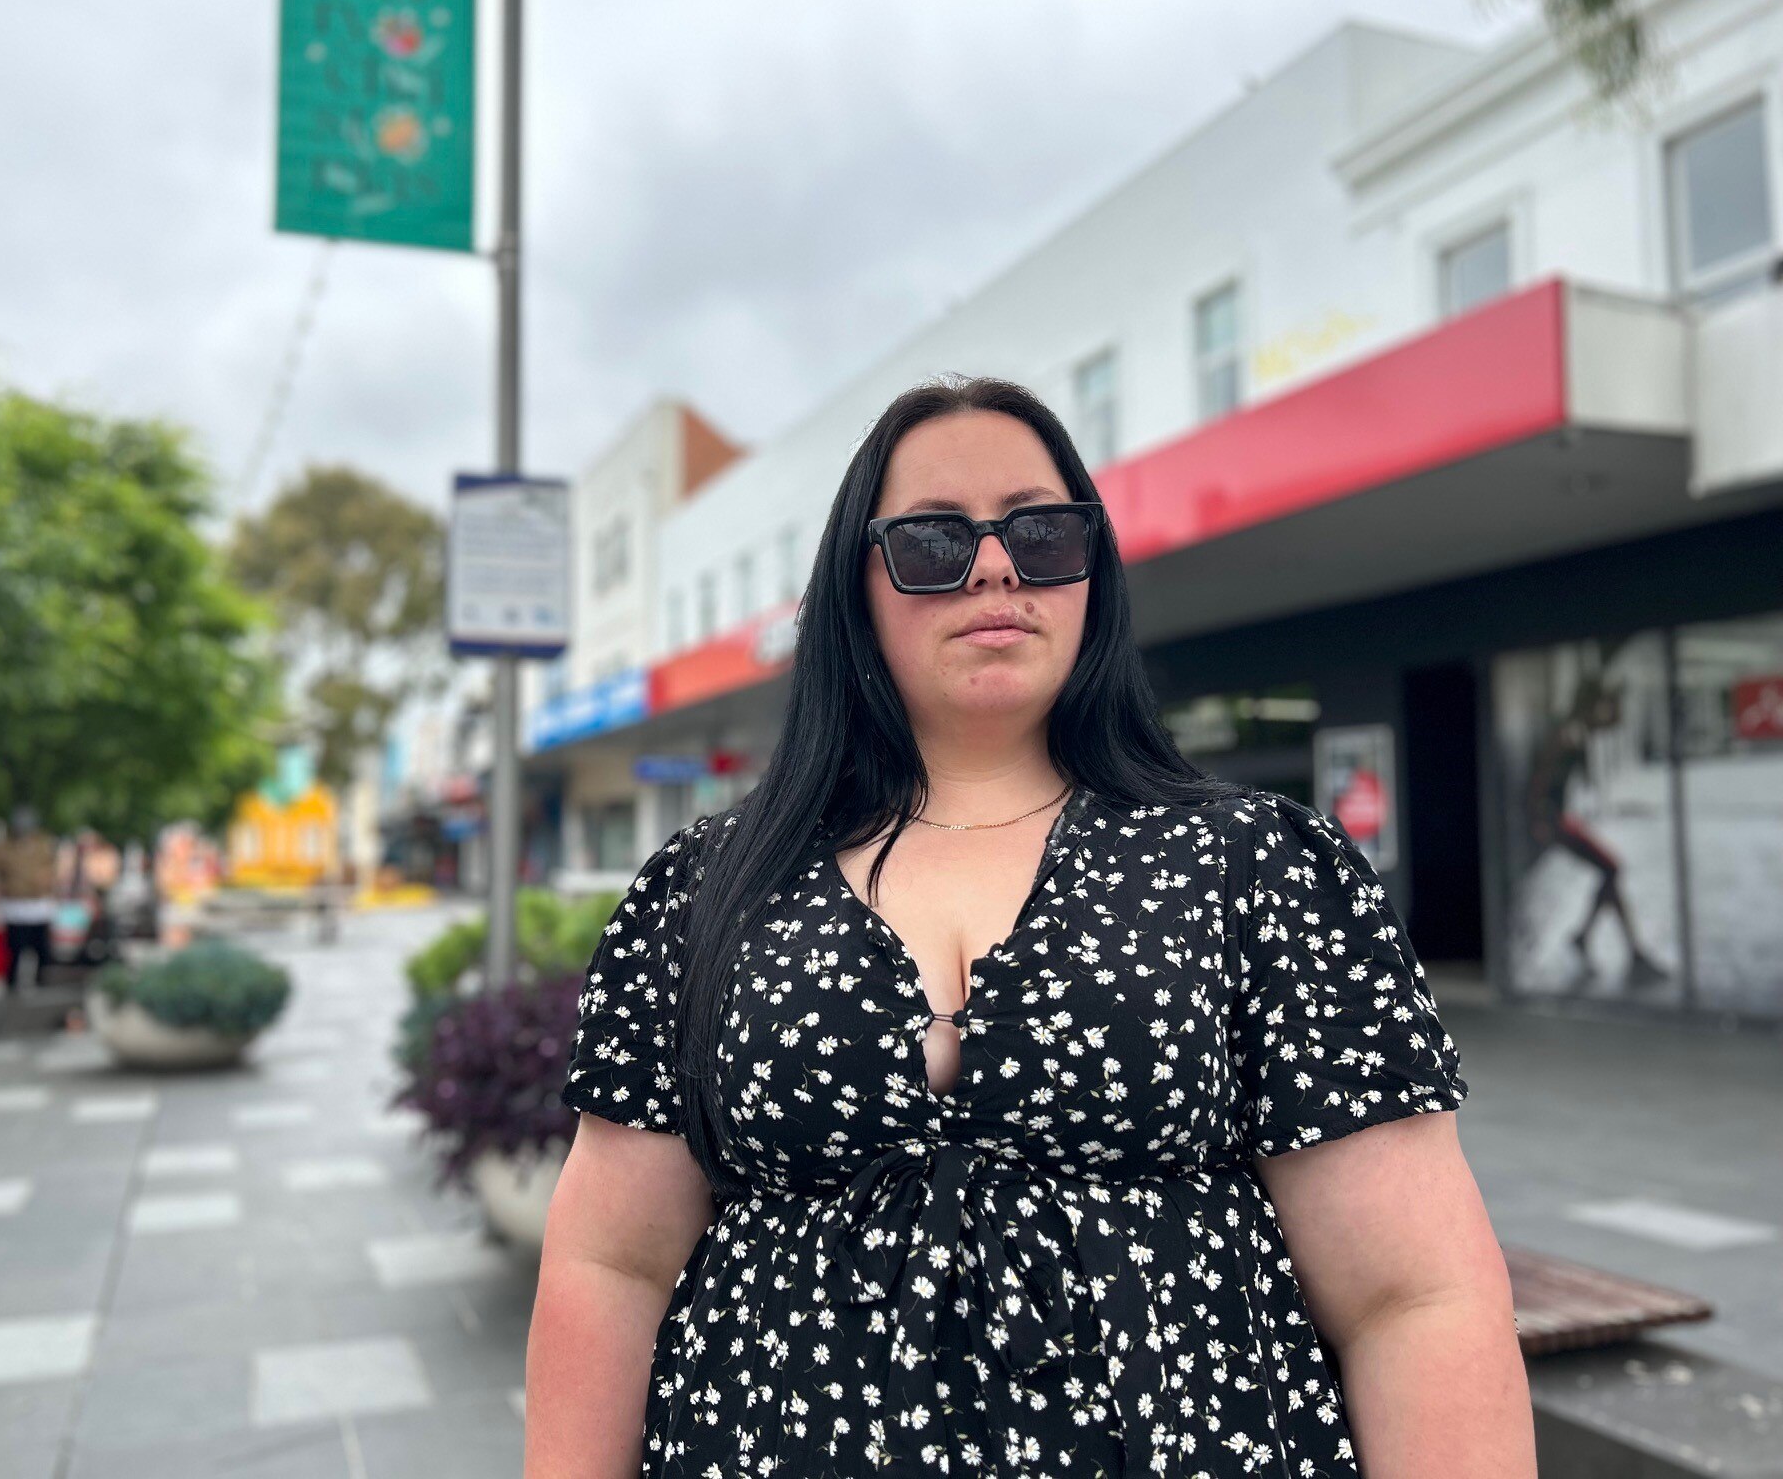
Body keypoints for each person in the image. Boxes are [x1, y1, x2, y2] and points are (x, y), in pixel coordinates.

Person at [523, 376, 1535, 1477]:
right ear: (855, 585)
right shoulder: (704, 888)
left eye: (1046, 532)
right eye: (933, 540)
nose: (998, 566)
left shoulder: (1261, 867)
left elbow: (1413, 1297)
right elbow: (609, 1266)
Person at [0, 807, 60, 996]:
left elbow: (55, 867)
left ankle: (41, 982)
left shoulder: (44, 844)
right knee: (14, 950)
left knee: (41, 949)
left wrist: (50, 881)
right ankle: (11, 985)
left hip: (39, 904)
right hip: (15, 904)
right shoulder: (4, 847)